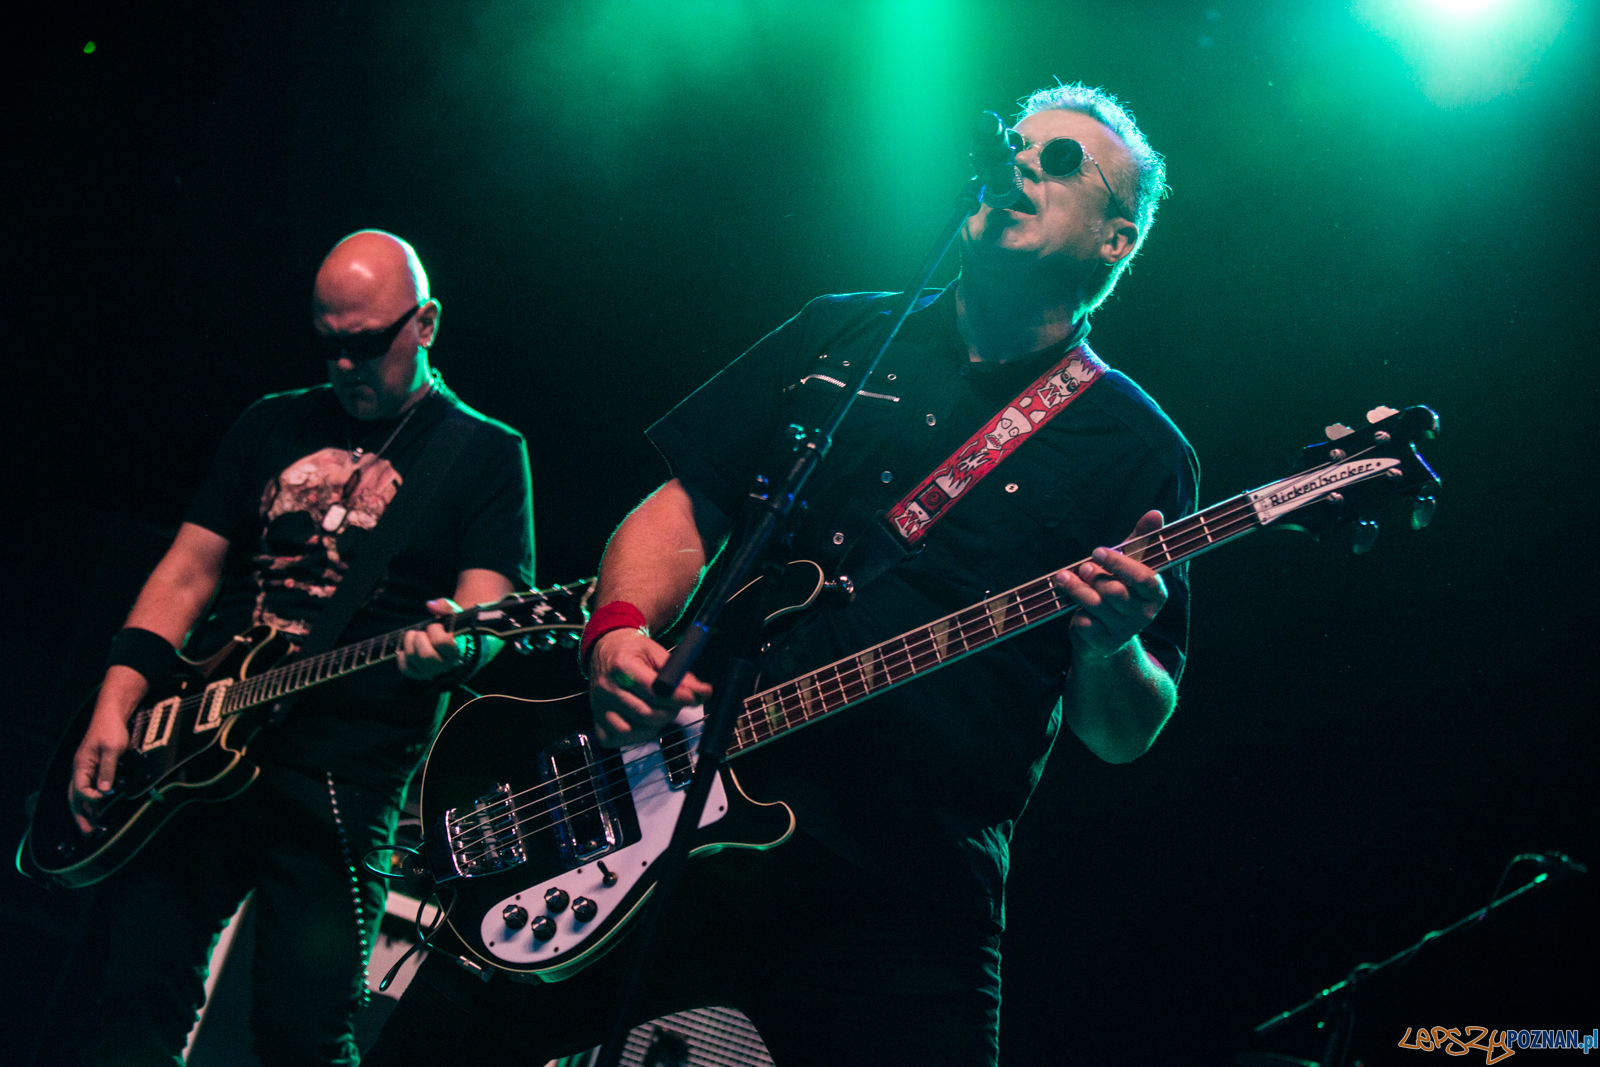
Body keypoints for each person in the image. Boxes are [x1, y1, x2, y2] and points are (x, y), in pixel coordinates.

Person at [365, 83, 1196, 1066]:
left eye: (1063, 162)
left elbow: (1124, 726)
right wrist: (620, 628)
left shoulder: (1136, 446)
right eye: (1015, 144)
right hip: (677, 806)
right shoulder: (839, 334)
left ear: (1116, 239)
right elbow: (682, 506)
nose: (1020, 161)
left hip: (905, 884)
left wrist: (1113, 644)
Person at [46, 230, 536, 1066]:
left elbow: (487, 610)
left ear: (426, 323)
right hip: (195, 738)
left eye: (367, 344)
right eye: (329, 344)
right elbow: (187, 573)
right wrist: (115, 702)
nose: (345, 367)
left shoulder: (485, 453)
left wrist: (453, 648)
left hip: (342, 772)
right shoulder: (271, 421)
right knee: (133, 984)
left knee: (300, 1030)